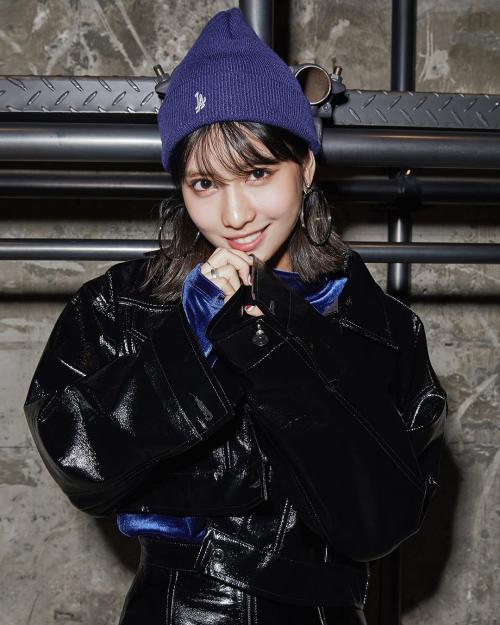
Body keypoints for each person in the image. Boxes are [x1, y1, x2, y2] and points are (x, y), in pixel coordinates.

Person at [24, 8, 447, 625]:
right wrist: (187, 342)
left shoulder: (381, 328)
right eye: (204, 183)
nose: (235, 213)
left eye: (257, 172)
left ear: (305, 167)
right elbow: (78, 463)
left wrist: (277, 345)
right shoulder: (122, 304)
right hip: (178, 611)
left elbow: (379, 523)